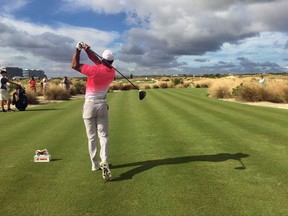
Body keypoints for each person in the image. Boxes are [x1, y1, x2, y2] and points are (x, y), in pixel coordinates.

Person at [71, 41, 116, 181]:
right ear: (112, 61)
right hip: (102, 105)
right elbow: (101, 63)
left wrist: (78, 50)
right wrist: (88, 51)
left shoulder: (94, 70)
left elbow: (74, 65)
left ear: (102, 59)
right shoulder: (112, 72)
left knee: (91, 137)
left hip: (90, 106)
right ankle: (105, 160)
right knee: (104, 136)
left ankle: (95, 164)